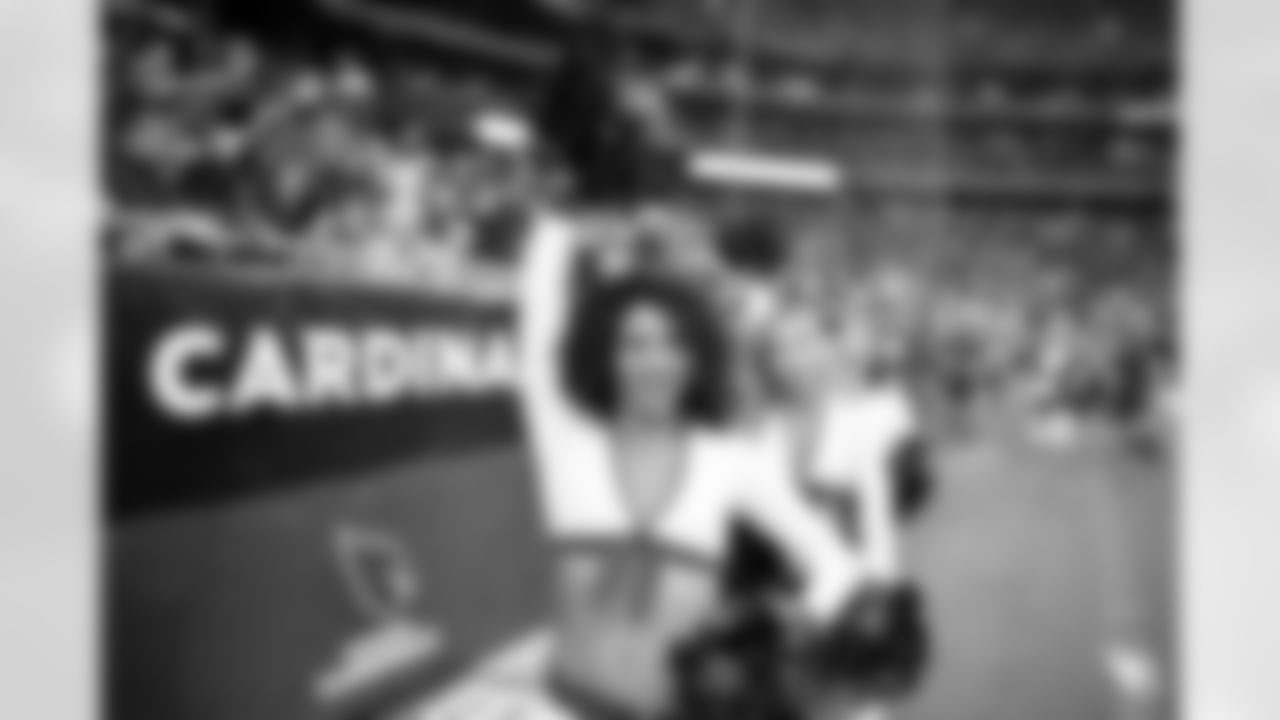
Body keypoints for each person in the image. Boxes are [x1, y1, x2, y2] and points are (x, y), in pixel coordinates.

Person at [514, 207, 869, 720]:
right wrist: (559, 227)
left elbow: (836, 566)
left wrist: (771, 643)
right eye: (634, 344)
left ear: (696, 358)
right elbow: (536, 336)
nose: (656, 362)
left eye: (674, 344)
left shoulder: (730, 462)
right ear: (604, 356)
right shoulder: (567, 443)